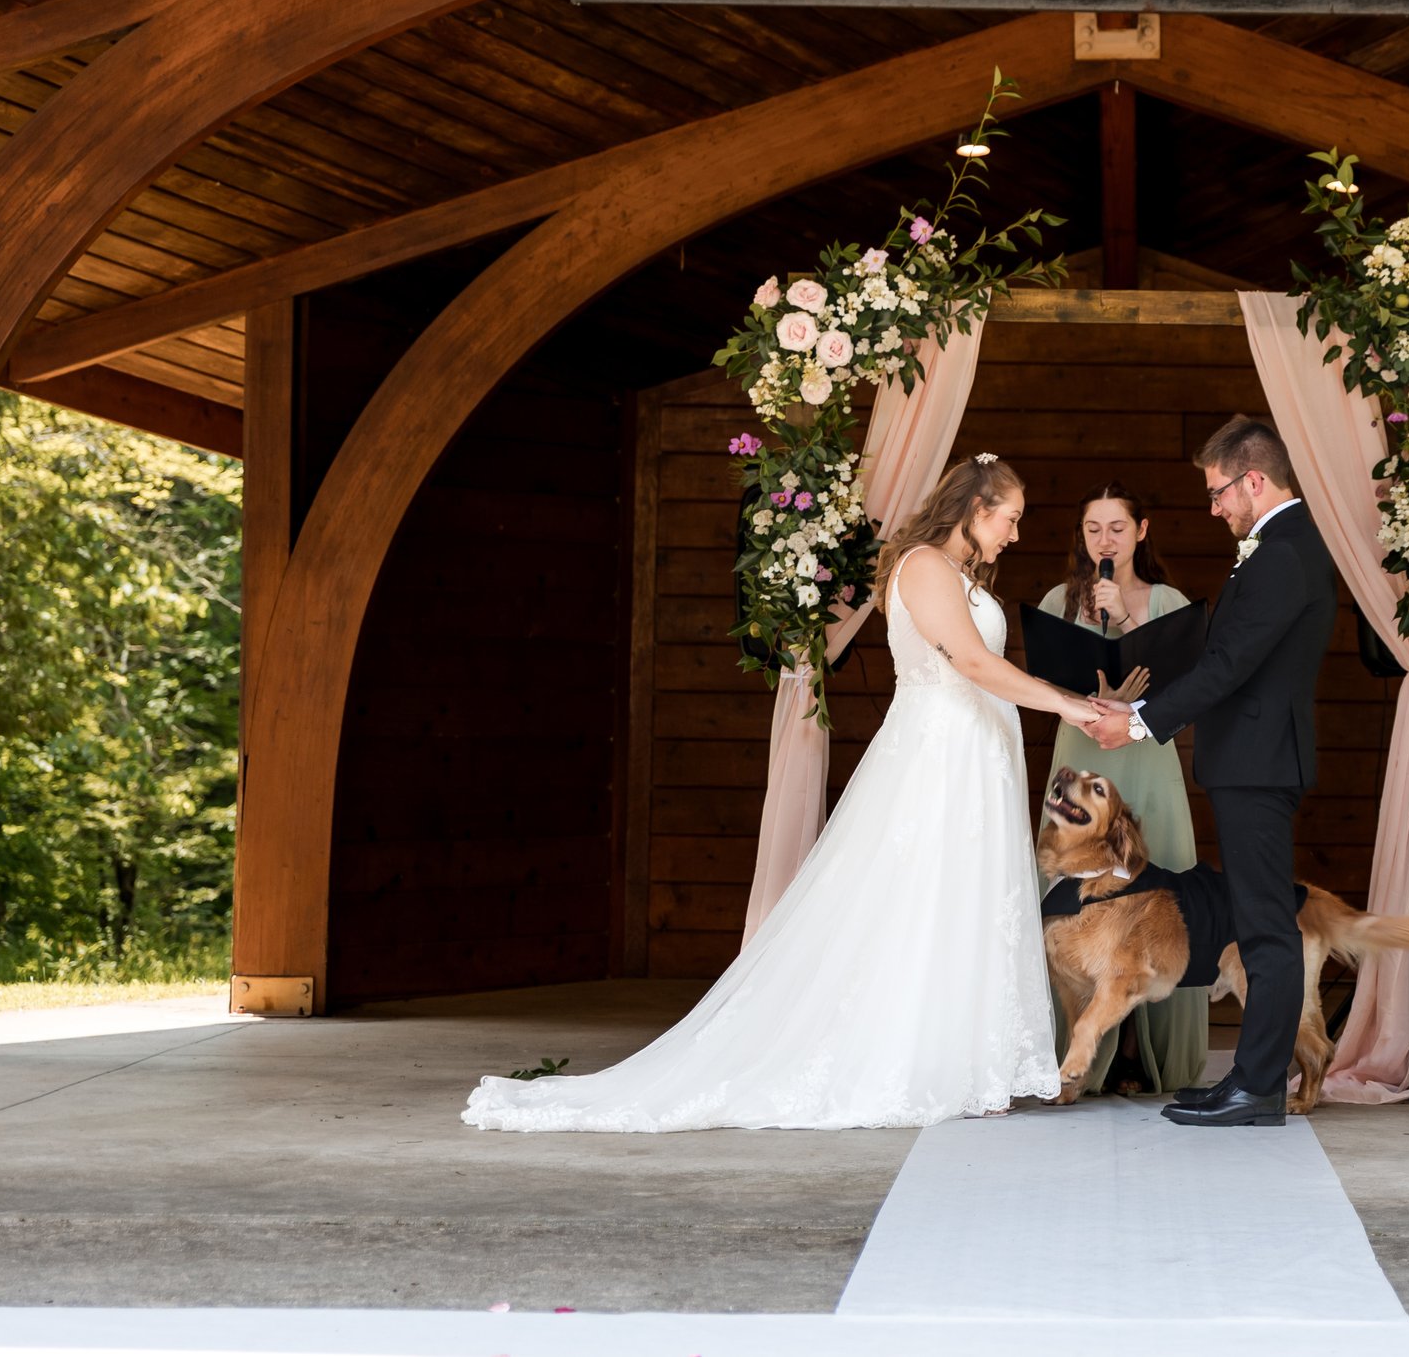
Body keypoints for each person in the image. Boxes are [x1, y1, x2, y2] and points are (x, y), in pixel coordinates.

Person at [463, 454, 1101, 1132]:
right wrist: (1069, 705)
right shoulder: (923, 566)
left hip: (975, 754)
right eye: (1010, 518)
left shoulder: (960, 574)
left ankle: (971, 1061)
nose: (1015, 532)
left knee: (965, 900)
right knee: (919, 899)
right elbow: (973, 663)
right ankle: (918, 1061)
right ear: (976, 509)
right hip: (938, 754)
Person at [1083, 416, 1337, 1128]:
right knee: (1259, 922)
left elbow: (1232, 666)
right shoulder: (1278, 547)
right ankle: (1251, 1080)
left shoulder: (1283, 553)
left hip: (1259, 764)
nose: (1216, 505)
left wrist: (1136, 721)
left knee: (1264, 927)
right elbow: (1223, 655)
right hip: (1251, 760)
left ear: (1253, 479)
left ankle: (1256, 1087)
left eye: (1220, 491)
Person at [1034, 484, 1208, 1097]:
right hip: (1081, 752)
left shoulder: (1169, 601)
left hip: (1146, 760)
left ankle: (1146, 1054)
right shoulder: (1060, 601)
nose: (1104, 541)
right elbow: (1044, 687)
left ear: (1141, 531)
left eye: (1116, 528)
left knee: (1153, 897)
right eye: (1092, 529)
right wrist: (1086, 701)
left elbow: (1190, 696)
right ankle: (1078, 1059)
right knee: (1078, 900)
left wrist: (1129, 620)